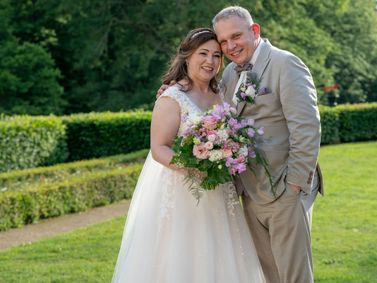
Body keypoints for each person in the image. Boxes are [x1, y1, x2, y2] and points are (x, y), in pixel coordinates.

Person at [157, 7, 323, 282]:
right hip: (248, 191)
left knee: (293, 276)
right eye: (223, 41)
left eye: (236, 36)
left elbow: (306, 128)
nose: (230, 46)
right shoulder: (231, 74)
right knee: (269, 274)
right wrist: (175, 87)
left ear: (254, 31)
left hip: (284, 189)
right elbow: (209, 105)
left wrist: (294, 186)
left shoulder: (285, 64)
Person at [112, 28, 265, 283]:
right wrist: (194, 168)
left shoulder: (223, 94)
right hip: (183, 192)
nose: (210, 61)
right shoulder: (173, 97)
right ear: (187, 57)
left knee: (223, 253)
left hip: (219, 190)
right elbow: (159, 148)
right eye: (203, 54)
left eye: (217, 55)